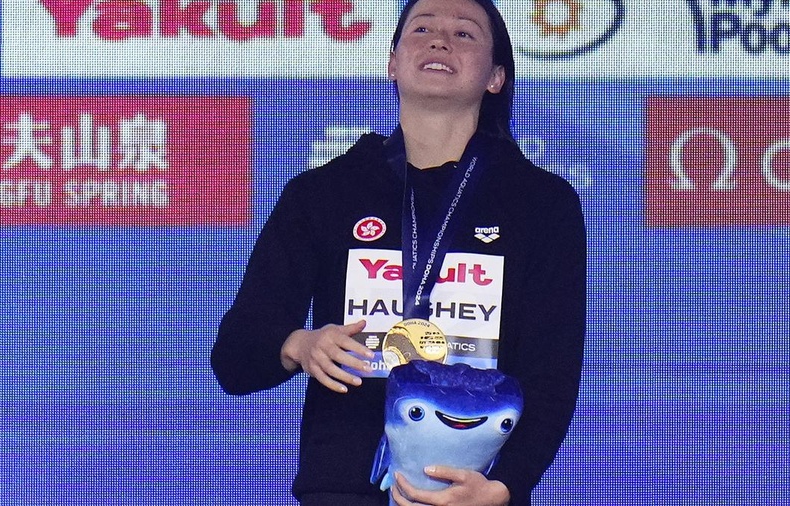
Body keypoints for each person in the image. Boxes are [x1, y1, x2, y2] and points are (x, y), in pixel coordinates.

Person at [211, 0, 586, 505]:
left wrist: (504, 486)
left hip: (469, 493)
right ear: (391, 62)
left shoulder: (542, 204)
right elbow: (235, 359)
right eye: (422, 28)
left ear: (496, 76)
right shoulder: (326, 193)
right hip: (341, 488)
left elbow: (552, 375)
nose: (439, 40)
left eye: (465, 34)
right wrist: (300, 345)